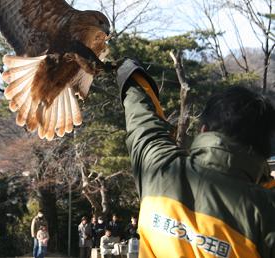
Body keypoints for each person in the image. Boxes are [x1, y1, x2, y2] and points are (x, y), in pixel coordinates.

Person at [117, 59, 275, 257]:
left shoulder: (159, 167)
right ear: (263, 149)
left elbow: (141, 119)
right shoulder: (265, 211)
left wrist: (129, 72)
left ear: (204, 130)